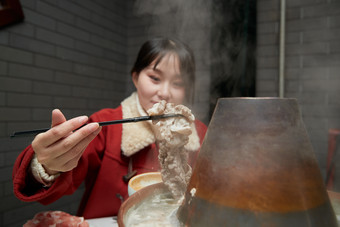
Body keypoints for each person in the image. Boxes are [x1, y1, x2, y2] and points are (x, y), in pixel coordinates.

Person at [12, 37, 207, 219]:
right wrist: (46, 164)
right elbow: (66, 174)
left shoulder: (199, 133)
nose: (164, 93)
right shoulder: (106, 123)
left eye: (178, 83)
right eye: (155, 78)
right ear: (135, 77)